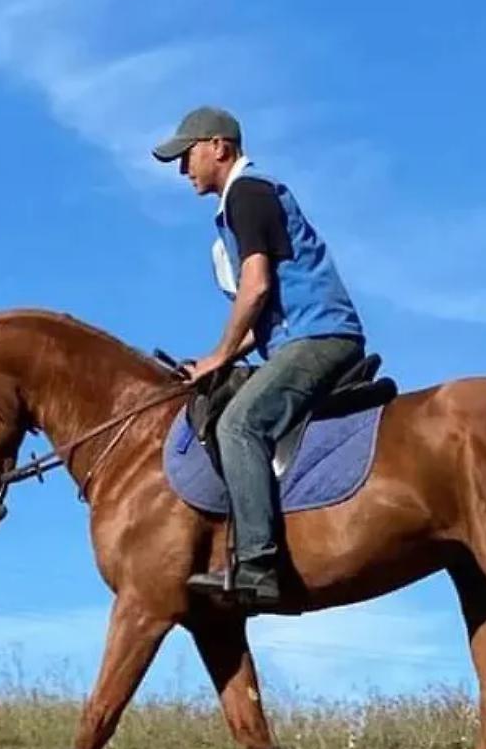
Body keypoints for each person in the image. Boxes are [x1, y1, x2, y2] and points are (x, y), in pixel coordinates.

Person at [152, 105, 365, 610]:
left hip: (320, 338)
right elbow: (264, 312)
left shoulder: (248, 193)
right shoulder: (235, 206)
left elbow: (256, 287)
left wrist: (220, 354)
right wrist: (216, 361)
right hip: (295, 339)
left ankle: (258, 564)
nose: (184, 169)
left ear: (218, 147)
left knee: (238, 426)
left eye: (188, 155)